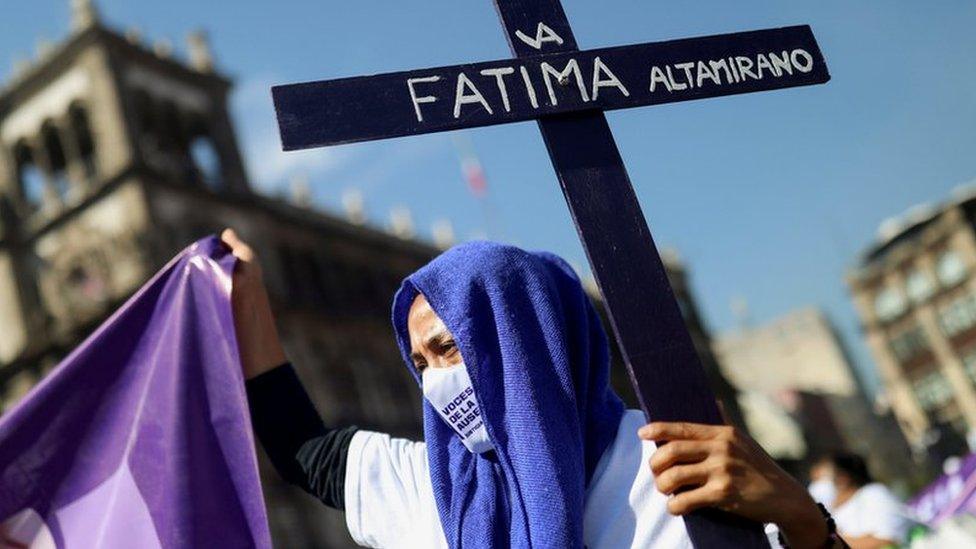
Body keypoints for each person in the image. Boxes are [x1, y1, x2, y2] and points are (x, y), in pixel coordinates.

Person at [223, 229, 845, 548]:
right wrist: (246, 298)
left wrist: (800, 518)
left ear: (522, 341)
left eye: (448, 347)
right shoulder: (438, 489)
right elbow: (302, 448)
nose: (437, 381)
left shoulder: (672, 463)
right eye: (420, 364)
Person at [807, 454, 910, 549]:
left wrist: (832, 539)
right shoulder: (833, 511)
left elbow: (887, 539)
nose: (816, 486)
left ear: (843, 478)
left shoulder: (874, 494)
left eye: (822, 478)